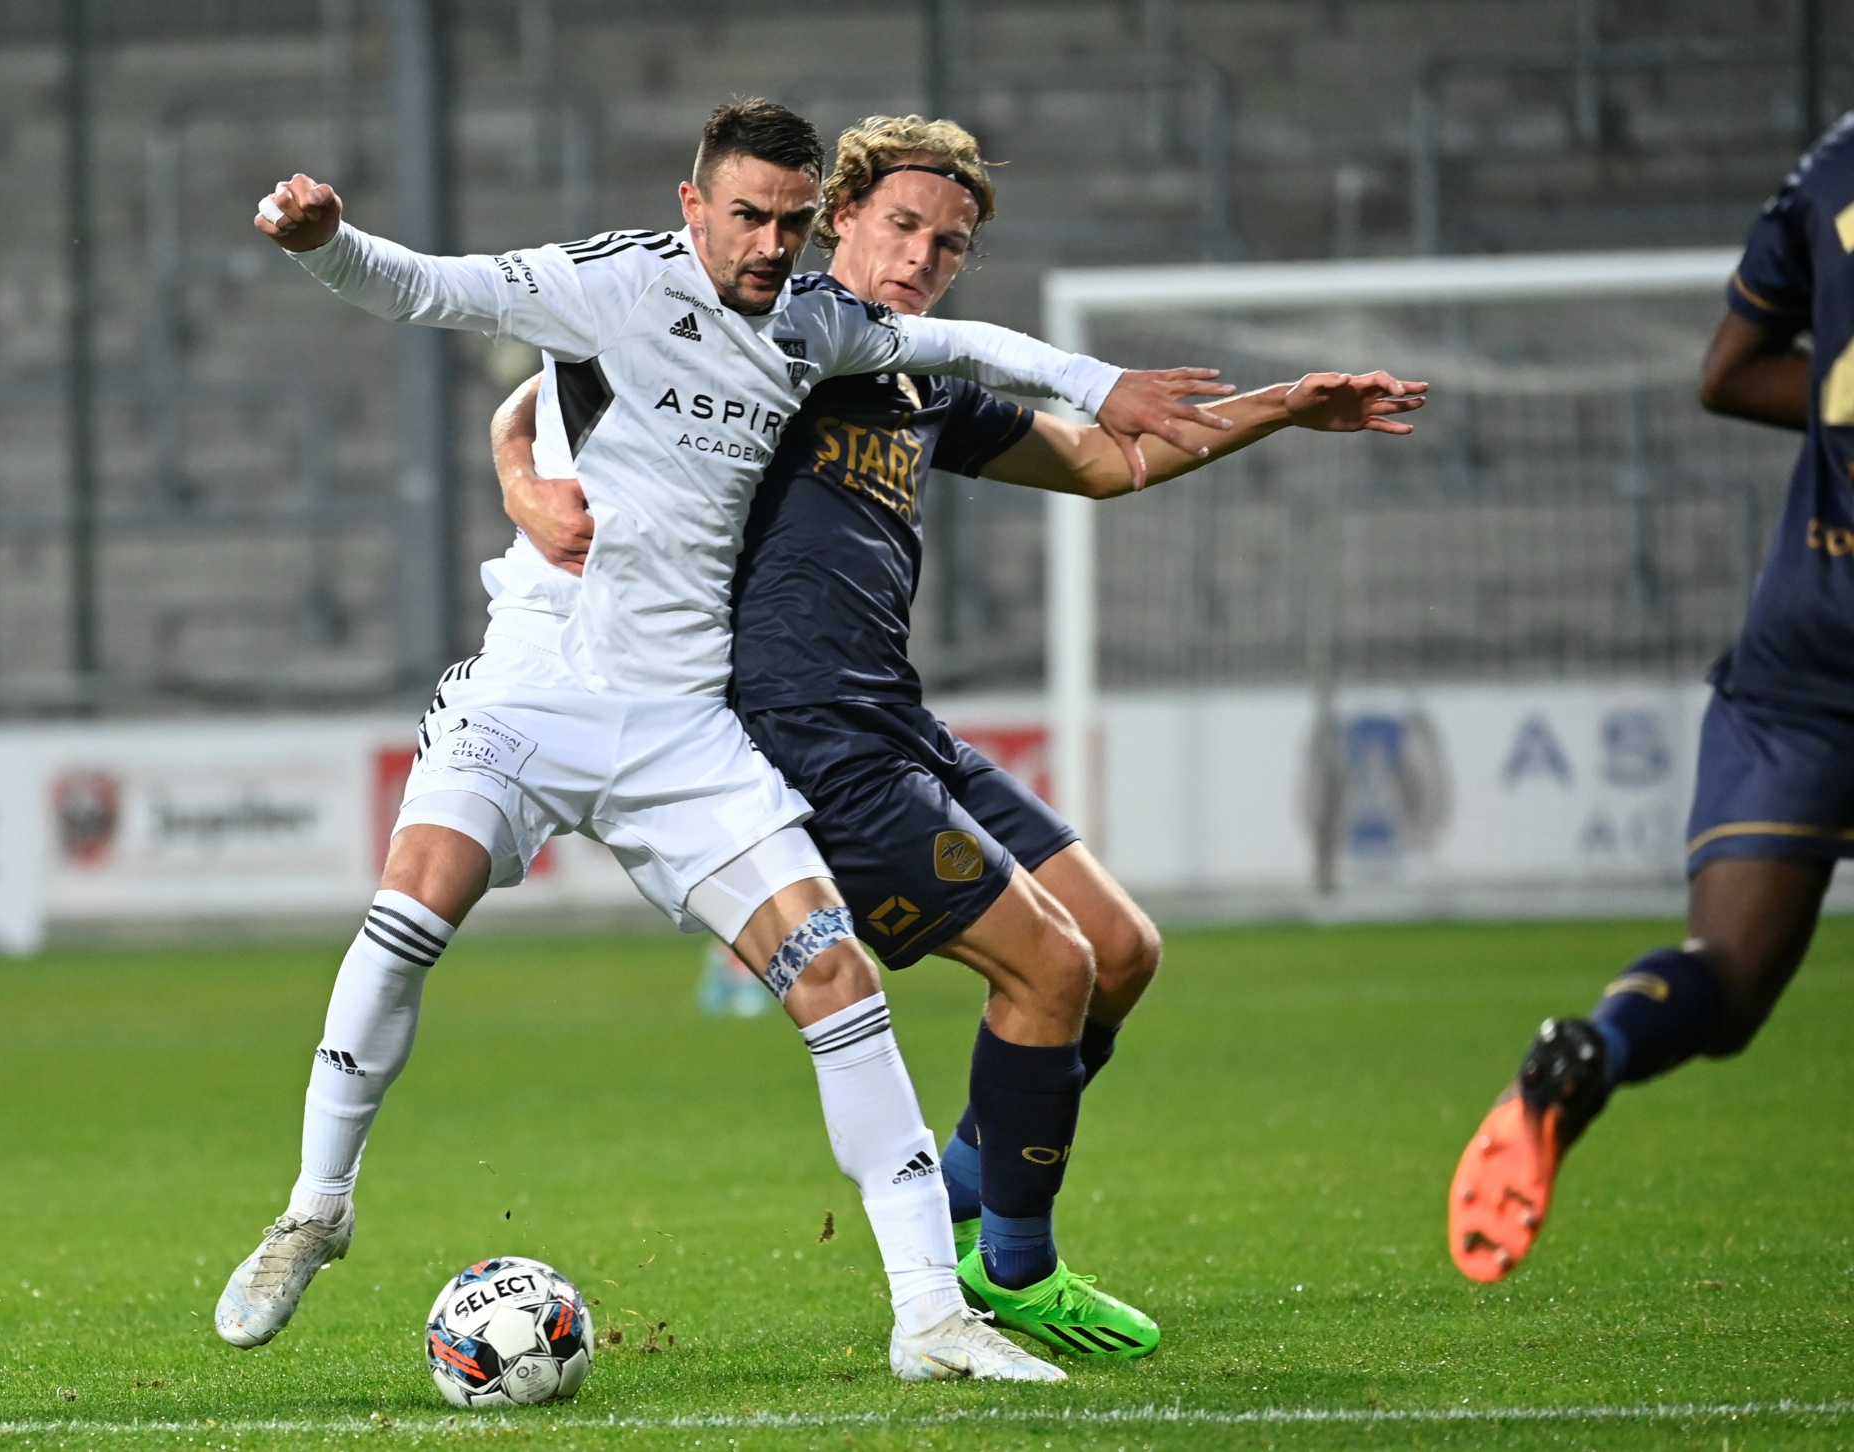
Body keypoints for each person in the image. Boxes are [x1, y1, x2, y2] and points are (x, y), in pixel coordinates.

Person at [216, 98, 1222, 1384]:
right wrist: (321, 240)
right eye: (745, 215)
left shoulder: (815, 328)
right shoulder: (606, 284)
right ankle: (317, 1207)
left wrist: (1105, 387)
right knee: (409, 911)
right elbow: (428, 292)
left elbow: (961, 343)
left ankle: (929, 1316)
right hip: (531, 692)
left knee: (838, 985)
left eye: (790, 222)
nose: (766, 242)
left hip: (684, 725)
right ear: (693, 203)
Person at [496, 113, 1424, 1358]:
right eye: (901, 227)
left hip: (893, 716)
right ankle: (1009, 1270)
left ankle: (962, 1202)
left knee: (1120, 949)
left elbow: (1103, 462)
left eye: (949, 242)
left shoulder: (911, 378)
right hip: (805, 735)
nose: (923, 257)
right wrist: (523, 484)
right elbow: (534, 395)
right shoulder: (770, 331)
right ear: (839, 219)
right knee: (1049, 972)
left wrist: (1279, 408)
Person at [1448, 113, 1854, 1283]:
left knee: (1720, 976)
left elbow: (1725, 372)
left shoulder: (1830, 166)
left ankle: (1593, 1049)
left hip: (1802, 644)